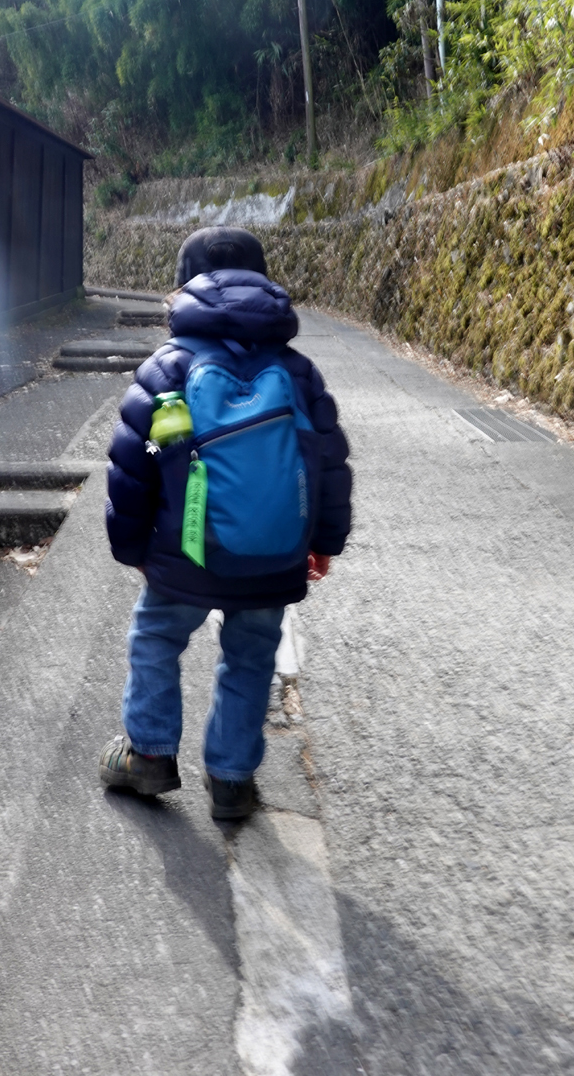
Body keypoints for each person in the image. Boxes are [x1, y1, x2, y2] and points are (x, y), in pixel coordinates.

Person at [100, 225, 352, 820]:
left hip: (185, 556)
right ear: (263, 281)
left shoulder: (168, 369)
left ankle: (149, 756)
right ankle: (233, 779)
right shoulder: (298, 373)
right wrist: (322, 542)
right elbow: (330, 462)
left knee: (157, 638)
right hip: (274, 554)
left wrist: (133, 545)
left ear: (182, 289)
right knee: (252, 651)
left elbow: (133, 466)